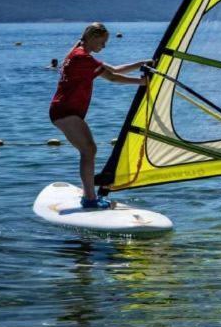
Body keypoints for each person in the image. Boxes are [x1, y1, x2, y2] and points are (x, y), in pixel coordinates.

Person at [50, 22, 150, 209]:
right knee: (89, 150)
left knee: (88, 150)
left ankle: (89, 196)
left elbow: (113, 70)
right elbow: (111, 77)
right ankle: (89, 199)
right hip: (65, 111)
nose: (104, 46)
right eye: (102, 42)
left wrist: (140, 64)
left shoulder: (79, 53)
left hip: (63, 110)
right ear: (93, 37)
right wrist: (142, 82)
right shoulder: (81, 57)